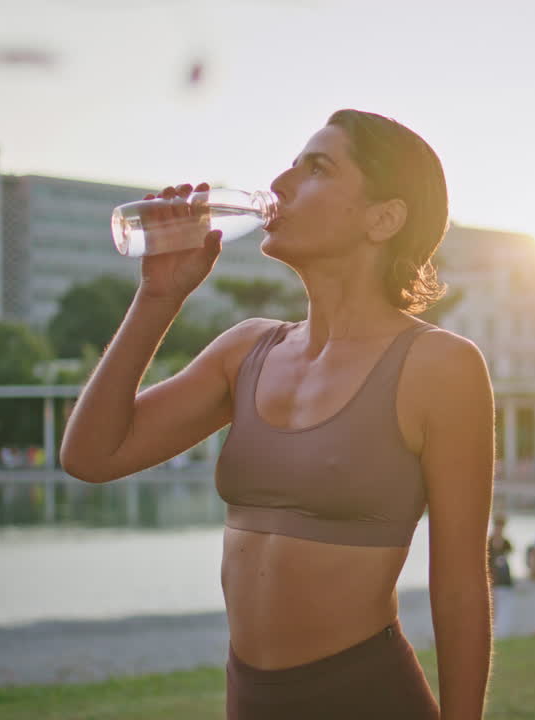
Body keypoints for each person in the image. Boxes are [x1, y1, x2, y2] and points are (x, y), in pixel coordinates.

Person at [60, 109, 493, 719]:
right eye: (290, 164)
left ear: (383, 218)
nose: (281, 184)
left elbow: (459, 588)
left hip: (367, 699)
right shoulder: (247, 349)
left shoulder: (440, 367)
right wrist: (159, 296)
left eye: (316, 168)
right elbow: (90, 456)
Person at [488, 513, 515, 637]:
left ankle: (500, 633)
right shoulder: (489, 542)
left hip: (504, 580)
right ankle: (491, 634)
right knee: (493, 608)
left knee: (503, 609)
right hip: (493, 580)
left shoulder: (506, 543)